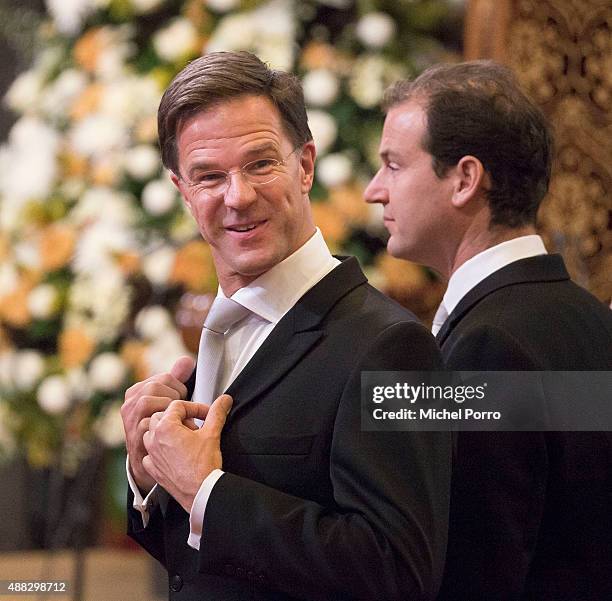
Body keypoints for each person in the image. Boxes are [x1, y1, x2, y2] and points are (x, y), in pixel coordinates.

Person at [121, 51, 452, 601]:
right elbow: (207, 568)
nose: (238, 196)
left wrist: (207, 491)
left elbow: (398, 571)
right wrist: (152, 478)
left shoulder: (391, 346)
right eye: (208, 176)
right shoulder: (212, 334)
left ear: (305, 165)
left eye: (259, 164)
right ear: (181, 189)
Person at [365, 60, 612, 600]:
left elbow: (477, 568)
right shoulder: (590, 319)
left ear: (464, 180)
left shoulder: (489, 345)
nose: (373, 190)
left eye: (393, 165)